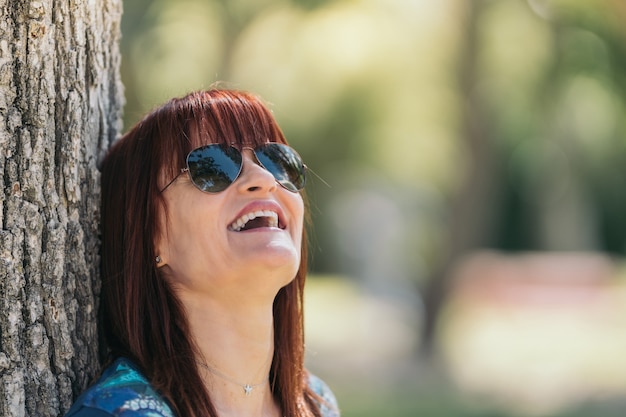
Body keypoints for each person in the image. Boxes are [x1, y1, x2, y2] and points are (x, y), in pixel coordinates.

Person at [65, 89, 339, 417]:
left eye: (279, 163)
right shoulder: (121, 412)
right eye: (213, 167)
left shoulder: (316, 403)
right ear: (150, 234)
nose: (265, 179)